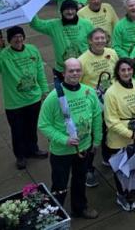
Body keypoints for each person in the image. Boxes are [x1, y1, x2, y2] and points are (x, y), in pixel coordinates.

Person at [38, 58, 101, 220]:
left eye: (78, 70)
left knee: (80, 180)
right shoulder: (54, 97)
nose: (75, 73)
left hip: (84, 148)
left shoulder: (89, 92)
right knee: (60, 185)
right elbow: (43, 125)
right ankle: (54, 214)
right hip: (62, 152)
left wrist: (96, 140)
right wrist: (64, 139)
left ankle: (80, 208)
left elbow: (96, 117)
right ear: (64, 73)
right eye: (71, 71)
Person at [0, 26, 48, 170]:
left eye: (20, 36)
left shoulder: (32, 49)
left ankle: (33, 149)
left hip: (33, 99)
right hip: (14, 103)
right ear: (9, 40)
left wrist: (44, 89)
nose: (18, 39)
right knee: (17, 131)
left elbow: (40, 70)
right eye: (14, 37)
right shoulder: (4, 55)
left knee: (31, 128)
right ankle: (20, 156)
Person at [103, 58, 135, 211]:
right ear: (117, 72)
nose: (127, 72)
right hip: (119, 138)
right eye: (123, 70)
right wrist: (130, 134)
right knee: (121, 169)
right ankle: (122, 195)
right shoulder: (111, 93)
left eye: (129, 69)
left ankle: (132, 187)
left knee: (133, 164)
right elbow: (111, 121)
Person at [78, 28, 119, 187]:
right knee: (94, 135)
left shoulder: (112, 52)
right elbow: (79, 83)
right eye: (97, 38)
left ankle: (107, 157)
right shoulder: (82, 60)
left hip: (111, 100)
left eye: (103, 38)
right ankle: (88, 169)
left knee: (110, 129)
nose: (100, 41)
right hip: (93, 104)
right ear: (90, 41)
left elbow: (116, 73)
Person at [31, 0, 94, 89]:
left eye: (72, 9)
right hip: (62, 71)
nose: (70, 12)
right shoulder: (53, 25)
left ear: (76, 10)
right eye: (66, 9)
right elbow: (36, 24)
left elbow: (94, 43)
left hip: (84, 69)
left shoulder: (86, 24)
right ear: (61, 11)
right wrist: (31, 9)